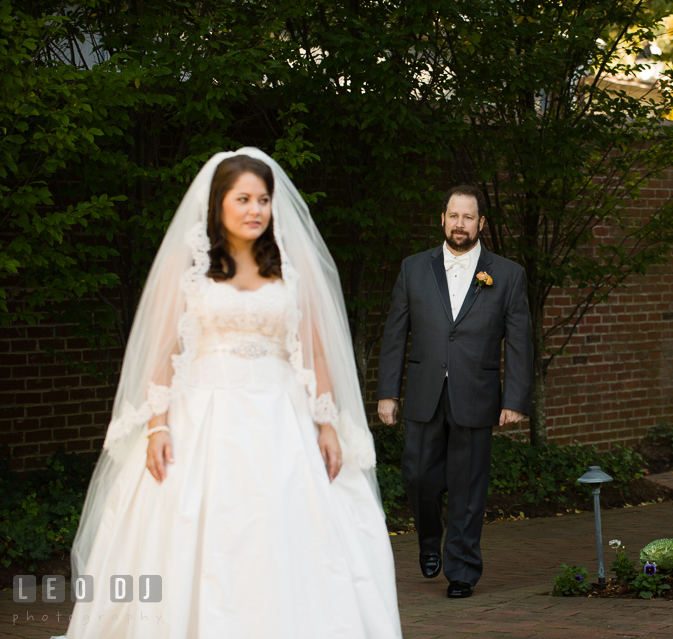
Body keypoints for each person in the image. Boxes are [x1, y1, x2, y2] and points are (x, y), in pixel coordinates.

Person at [55, 149, 402, 638]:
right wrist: (157, 425)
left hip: (283, 421)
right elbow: (161, 349)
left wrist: (326, 422)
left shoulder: (289, 267)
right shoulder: (188, 265)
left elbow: (316, 353)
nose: (255, 209)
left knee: (287, 537)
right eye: (243, 199)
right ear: (219, 203)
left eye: (263, 199)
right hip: (202, 417)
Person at [377, 184, 533, 599]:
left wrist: (515, 400)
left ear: (481, 223)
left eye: (468, 217)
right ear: (442, 219)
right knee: (418, 477)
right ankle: (431, 541)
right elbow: (395, 335)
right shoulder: (413, 268)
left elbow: (519, 341)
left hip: (477, 394)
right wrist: (387, 393)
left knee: (468, 487)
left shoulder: (508, 274)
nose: (459, 224)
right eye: (453, 216)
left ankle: (462, 569)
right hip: (424, 394)